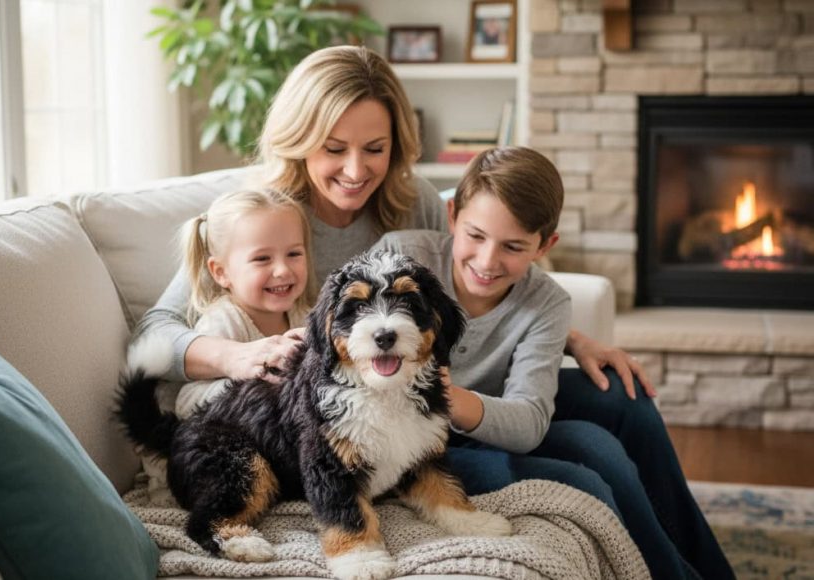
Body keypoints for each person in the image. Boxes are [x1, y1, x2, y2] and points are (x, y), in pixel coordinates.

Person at [134, 45, 728, 576]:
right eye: (333, 148)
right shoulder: (263, 218)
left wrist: (570, 336)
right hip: (369, 410)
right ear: (299, 138)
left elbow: (471, 272)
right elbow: (157, 331)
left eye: (376, 148)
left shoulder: (409, 199)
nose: (355, 169)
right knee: (594, 455)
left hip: (440, 386)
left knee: (628, 404)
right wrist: (237, 355)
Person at [373, 146, 733, 579]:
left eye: (513, 246)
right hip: (413, 443)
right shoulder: (398, 261)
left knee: (623, 396)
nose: (487, 261)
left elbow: (527, 423)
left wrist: (451, 396)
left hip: (484, 416)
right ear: (452, 217)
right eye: (476, 235)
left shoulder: (546, 302)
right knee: (598, 453)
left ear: (546, 245)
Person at [137, 188, 314, 504]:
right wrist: (256, 387)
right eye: (262, 258)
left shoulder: (303, 316)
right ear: (220, 272)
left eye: (294, 254)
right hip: (204, 457)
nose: (283, 270)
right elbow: (187, 403)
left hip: (265, 451)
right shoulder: (223, 322)